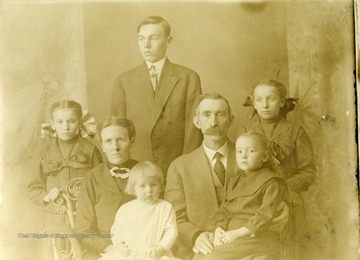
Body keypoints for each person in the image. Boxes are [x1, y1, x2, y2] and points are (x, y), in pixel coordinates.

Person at [164, 92, 289, 259]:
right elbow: (174, 217)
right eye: (206, 114)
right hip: (205, 246)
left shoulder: (253, 155)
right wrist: (196, 235)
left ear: (231, 119)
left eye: (220, 114)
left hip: (252, 243)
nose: (214, 122)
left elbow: (275, 187)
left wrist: (286, 206)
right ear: (197, 121)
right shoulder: (179, 167)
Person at [111, 15, 203, 177]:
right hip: (136, 169)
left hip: (176, 167)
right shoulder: (123, 81)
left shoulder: (188, 77)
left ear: (168, 41)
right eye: (141, 39)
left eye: (153, 38)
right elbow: (116, 132)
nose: (146, 45)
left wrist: (184, 168)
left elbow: (193, 130)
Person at [244, 79, 316, 256]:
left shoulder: (296, 131)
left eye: (271, 99)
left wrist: (281, 188)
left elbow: (308, 172)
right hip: (256, 202)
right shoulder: (247, 129)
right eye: (259, 100)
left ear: (282, 102)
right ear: (253, 102)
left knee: (290, 253)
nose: (265, 105)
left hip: (289, 200)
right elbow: (241, 169)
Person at [194, 131, 289, 260]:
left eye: (250, 151)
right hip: (231, 233)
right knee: (200, 254)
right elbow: (224, 209)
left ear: (265, 156)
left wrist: (238, 233)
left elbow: (265, 214)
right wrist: (219, 229)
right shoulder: (234, 181)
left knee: (209, 258)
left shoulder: (272, 181)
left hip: (255, 236)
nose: (243, 156)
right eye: (239, 151)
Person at [28, 100, 103, 258]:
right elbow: (34, 188)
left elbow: (100, 188)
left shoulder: (90, 149)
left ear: (79, 122)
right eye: (60, 122)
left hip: (84, 221)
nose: (66, 127)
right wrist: (46, 196)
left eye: (71, 121)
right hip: (54, 221)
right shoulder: (46, 151)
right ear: (52, 124)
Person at [75, 117, 139, 259]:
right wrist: (109, 249)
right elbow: (83, 230)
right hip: (105, 250)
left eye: (120, 140)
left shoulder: (145, 173)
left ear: (132, 141)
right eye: (108, 141)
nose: (115, 147)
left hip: (143, 247)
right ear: (102, 146)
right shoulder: (91, 178)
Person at [99, 161, 178, 260]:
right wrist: (120, 246)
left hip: (155, 254)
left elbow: (171, 232)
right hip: (131, 254)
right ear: (134, 188)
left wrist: (160, 249)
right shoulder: (126, 209)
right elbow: (116, 231)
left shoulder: (165, 207)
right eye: (142, 186)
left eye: (153, 185)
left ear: (160, 185)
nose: (149, 190)